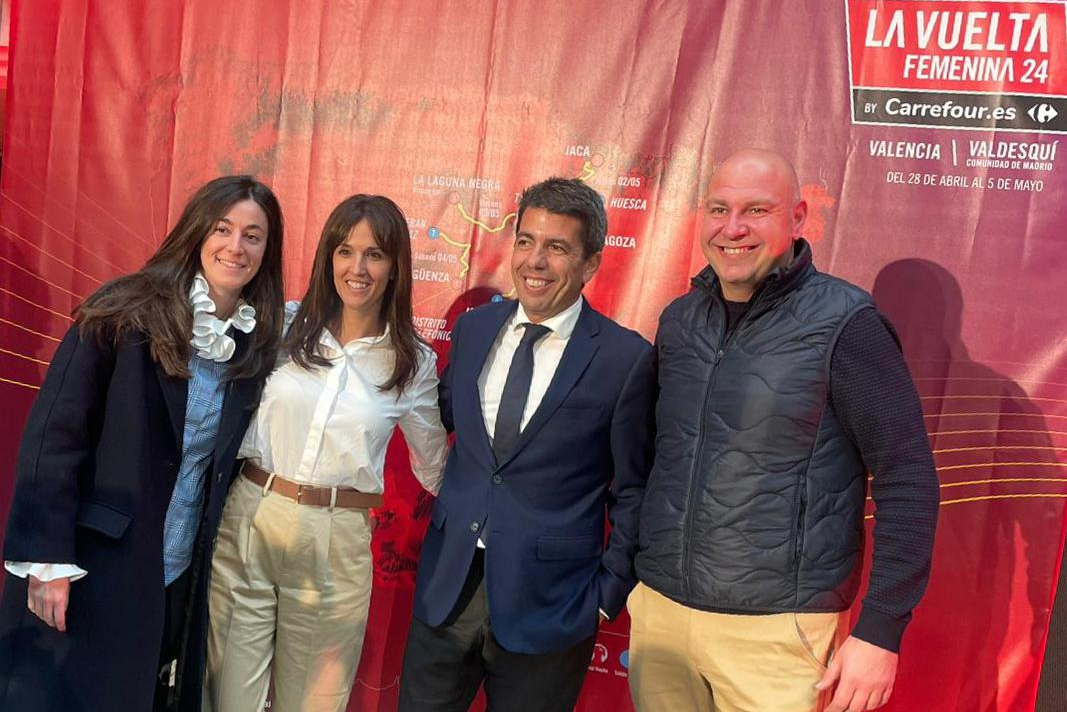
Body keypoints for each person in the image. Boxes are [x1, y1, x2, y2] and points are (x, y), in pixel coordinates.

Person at [627, 149, 940, 712]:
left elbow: (907, 478)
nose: (733, 228)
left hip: (778, 635)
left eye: (756, 210)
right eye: (718, 209)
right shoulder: (679, 320)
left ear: (797, 219)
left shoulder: (846, 324)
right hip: (662, 616)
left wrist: (880, 630)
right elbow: (649, 459)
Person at [0, 175, 286, 712]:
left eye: (253, 236)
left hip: (173, 575)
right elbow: (54, 436)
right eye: (222, 229)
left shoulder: (254, 345)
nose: (236, 247)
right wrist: (46, 558)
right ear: (197, 232)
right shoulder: (125, 309)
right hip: (89, 565)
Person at [397, 177, 657, 712]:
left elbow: (635, 490)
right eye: (525, 241)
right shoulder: (473, 330)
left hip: (552, 607)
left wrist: (606, 596)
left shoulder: (625, 359)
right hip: (448, 589)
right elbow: (440, 418)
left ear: (590, 264)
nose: (535, 261)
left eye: (556, 247)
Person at [204, 194, 448, 712]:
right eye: (345, 251)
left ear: (395, 266)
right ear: (327, 257)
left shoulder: (412, 362)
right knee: (226, 696)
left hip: (336, 541)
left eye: (374, 254)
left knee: (312, 702)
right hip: (251, 516)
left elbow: (436, 468)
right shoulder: (282, 325)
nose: (357, 268)